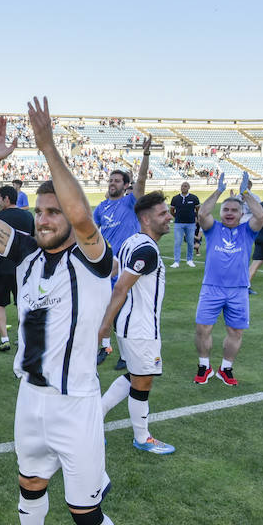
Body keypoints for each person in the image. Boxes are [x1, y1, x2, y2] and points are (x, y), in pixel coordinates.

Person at [0, 104, 122, 525]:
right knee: (30, 481)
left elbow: (82, 217)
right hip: (30, 397)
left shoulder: (93, 258)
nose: (44, 219)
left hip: (75, 401)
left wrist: (48, 148)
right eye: (40, 211)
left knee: (83, 509)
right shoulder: (25, 255)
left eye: (53, 211)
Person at [99, 191, 175, 454]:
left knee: (134, 375)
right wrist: (103, 328)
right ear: (145, 219)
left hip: (132, 326)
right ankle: (142, 438)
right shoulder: (146, 249)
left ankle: (95, 418)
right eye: (163, 213)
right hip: (141, 329)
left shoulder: (132, 241)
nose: (169, 217)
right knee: (143, 382)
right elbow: (120, 287)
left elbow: (114, 269)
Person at [194, 172, 263, 386]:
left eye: (235, 210)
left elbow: (260, 216)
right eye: (226, 209)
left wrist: (245, 193)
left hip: (238, 290)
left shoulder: (247, 230)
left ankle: (226, 368)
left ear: (242, 213)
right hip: (211, 288)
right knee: (203, 328)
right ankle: (204, 366)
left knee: (235, 331)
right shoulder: (213, 229)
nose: (230, 213)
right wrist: (219, 191)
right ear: (221, 212)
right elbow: (203, 214)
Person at [93, 137, 151, 369]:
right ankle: (105, 347)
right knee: (105, 309)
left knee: (126, 313)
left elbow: (142, 180)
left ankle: (126, 354)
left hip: (129, 264)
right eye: (111, 180)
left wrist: (145, 156)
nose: (112, 183)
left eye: (117, 180)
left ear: (126, 185)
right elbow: (94, 235)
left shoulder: (130, 202)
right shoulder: (100, 208)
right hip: (108, 265)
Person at [0, 185, 34, 351]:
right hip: (23, 267)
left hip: (3, 266)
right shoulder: (28, 216)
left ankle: (4, 339)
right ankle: (23, 338)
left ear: (7, 199)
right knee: (22, 303)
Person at [169, 181, 199, 267]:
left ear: (188, 187)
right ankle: (176, 261)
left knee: (190, 242)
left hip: (191, 224)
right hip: (178, 223)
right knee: (178, 242)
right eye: (182, 186)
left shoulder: (194, 198)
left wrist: (195, 218)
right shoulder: (175, 198)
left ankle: (189, 260)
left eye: (185, 186)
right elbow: (171, 210)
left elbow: (198, 209)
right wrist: (177, 217)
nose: (183, 187)